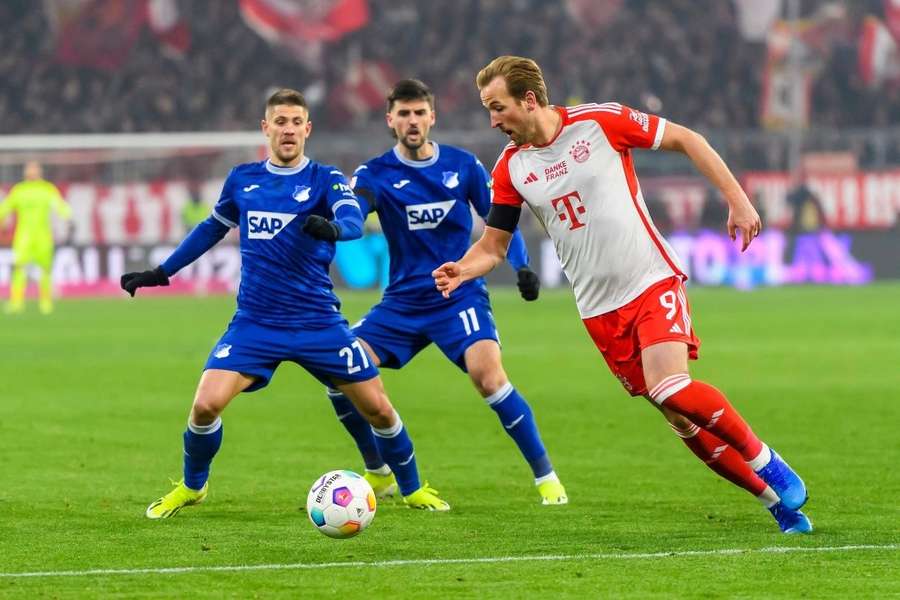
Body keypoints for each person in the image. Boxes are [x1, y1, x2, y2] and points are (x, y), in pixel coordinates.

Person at [433, 56, 811, 534]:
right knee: (680, 419)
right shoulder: (511, 169)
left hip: (649, 278)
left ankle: (766, 459)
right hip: (598, 310)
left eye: (498, 107)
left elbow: (686, 139)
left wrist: (738, 199)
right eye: (488, 109)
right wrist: (462, 270)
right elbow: (494, 245)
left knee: (669, 383)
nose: (493, 120)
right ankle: (774, 501)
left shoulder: (598, 122)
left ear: (529, 100)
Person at [122, 88, 450, 518]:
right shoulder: (243, 179)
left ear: (307, 129)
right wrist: (162, 271)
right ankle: (192, 486)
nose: (289, 129)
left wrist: (334, 229)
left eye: (297, 122)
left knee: (379, 409)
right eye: (281, 122)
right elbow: (209, 229)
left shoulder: (325, 179)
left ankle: (411, 488)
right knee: (205, 405)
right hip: (256, 323)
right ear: (267, 128)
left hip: (318, 323)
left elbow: (352, 217)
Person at [325, 79, 567, 505]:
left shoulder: (464, 166)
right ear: (390, 120)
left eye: (419, 112)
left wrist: (522, 266)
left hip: (459, 296)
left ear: (432, 117)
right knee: (338, 372)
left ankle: (547, 478)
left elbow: (501, 220)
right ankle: (378, 471)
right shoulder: (375, 173)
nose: (412, 121)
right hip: (401, 303)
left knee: (489, 378)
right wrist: (336, 224)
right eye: (403, 114)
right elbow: (355, 211)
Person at [0, 161, 71, 314]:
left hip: (42, 237)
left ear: (39, 172)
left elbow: (60, 206)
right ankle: (17, 303)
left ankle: (45, 303)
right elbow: (5, 209)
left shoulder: (46, 189)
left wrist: (67, 216)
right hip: (24, 236)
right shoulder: (20, 190)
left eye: (34, 169)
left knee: (45, 270)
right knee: (20, 269)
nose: (32, 172)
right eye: (30, 169)